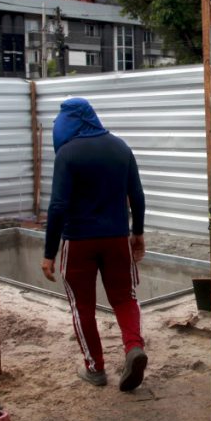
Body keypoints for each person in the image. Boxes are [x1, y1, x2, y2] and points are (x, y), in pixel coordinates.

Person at [40, 97, 148, 391]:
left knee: (82, 306)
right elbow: (137, 195)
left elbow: (58, 206)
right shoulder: (121, 148)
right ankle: (133, 347)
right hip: (116, 239)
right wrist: (137, 232)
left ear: (71, 122)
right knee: (125, 298)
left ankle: (95, 368)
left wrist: (49, 253)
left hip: (78, 243)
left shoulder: (67, 154)